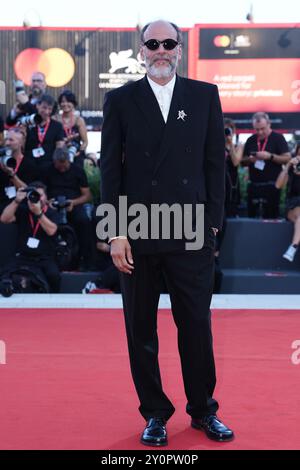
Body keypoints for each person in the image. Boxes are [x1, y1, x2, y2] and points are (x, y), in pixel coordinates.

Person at [100, 20, 234, 446]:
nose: (160, 50)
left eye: (168, 43)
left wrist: (213, 223)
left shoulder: (204, 95)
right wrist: (114, 231)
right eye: (152, 43)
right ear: (142, 50)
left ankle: (203, 411)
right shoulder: (119, 100)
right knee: (140, 329)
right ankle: (155, 413)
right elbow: (109, 170)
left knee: (195, 325)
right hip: (137, 228)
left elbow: (216, 165)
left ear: (179, 49)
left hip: (191, 228)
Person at [0, 181, 61, 293]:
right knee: (5, 271)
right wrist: (16, 201)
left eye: (40, 195)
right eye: (34, 195)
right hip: (23, 256)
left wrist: (38, 213)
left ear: (46, 197)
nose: (37, 198)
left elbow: (52, 231)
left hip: (44, 257)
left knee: (54, 275)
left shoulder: (52, 213)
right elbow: (4, 219)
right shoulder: (23, 210)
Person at [41, 147, 93, 270]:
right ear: (54, 162)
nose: (62, 168)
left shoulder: (78, 171)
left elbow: (87, 195)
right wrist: (48, 202)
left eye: (64, 165)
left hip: (73, 203)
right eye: (59, 166)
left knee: (84, 221)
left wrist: (73, 203)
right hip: (52, 205)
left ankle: (85, 259)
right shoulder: (47, 170)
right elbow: (41, 191)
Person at [242, 112, 290, 219]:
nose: (260, 132)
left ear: (269, 124)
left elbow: (287, 158)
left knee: (271, 217)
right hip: (254, 185)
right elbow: (242, 161)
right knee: (252, 217)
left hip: (272, 185)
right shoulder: (250, 140)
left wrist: (270, 156)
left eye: (262, 128)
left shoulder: (278, 138)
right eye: (257, 129)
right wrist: (251, 160)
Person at [0, 128, 38, 214]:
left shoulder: (29, 164)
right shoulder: (1, 159)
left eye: (11, 140)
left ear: (20, 143)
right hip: (2, 201)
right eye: (6, 140)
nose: (7, 143)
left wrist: (12, 175)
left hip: (21, 205)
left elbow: (28, 190)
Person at [24, 94, 65, 173]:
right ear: (37, 106)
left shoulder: (57, 126)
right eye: (44, 108)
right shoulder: (28, 124)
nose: (46, 112)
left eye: (50, 109)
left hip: (49, 165)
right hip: (29, 164)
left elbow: (59, 147)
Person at [276, 144, 300, 262]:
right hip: (293, 206)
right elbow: (278, 185)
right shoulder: (291, 167)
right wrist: (288, 165)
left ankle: (293, 247)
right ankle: (293, 247)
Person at [56, 90, 88, 167]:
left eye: (68, 101)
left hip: (76, 154)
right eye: (63, 102)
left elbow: (85, 142)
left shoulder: (79, 120)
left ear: (73, 104)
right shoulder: (55, 119)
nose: (65, 104)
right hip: (59, 153)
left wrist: (79, 151)